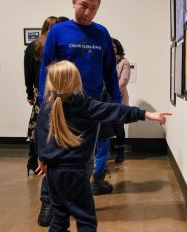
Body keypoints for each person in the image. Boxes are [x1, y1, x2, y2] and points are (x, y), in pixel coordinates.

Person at [36, 60, 171, 232]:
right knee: (86, 220)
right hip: (76, 173)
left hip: (53, 174)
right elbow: (117, 111)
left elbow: (40, 135)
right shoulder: (85, 105)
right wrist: (147, 114)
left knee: (60, 217)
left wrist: (43, 158)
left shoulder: (47, 107)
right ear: (77, 81)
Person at [38, 0, 122, 198]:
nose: (88, 12)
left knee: (85, 158)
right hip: (60, 105)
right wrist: (44, 100)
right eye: (84, 5)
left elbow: (110, 70)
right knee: (54, 155)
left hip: (89, 106)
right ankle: (48, 201)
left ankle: (78, 199)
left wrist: (115, 100)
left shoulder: (101, 33)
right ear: (74, 2)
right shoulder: (58, 31)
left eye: (94, 8)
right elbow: (46, 66)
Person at [34, 16, 70, 227]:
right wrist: (41, 102)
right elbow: (33, 76)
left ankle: (68, 202)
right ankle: (48, 202)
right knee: (50, 156)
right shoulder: (36, 50)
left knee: (77, 158)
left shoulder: (71, 48)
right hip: (49, 104)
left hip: (73, 103)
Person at [24, 16, 57, 176]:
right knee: (50, 125)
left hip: (40, 91)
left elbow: (28, 73)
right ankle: (47, 158)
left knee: (37, 125)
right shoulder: (54, 45)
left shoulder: (33, 46)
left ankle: (32, 159)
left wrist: (30, 93)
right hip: (54, 90)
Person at [111, 37, 131, 163]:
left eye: (114, 47)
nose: (112, 49)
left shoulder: (124, 62)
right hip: (103, 98)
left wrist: (111, 92)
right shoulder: (103, 60)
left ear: (118, 48)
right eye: (110, 46)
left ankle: (120, 151)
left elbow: (124, 80)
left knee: (118, 126)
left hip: (118, 98)